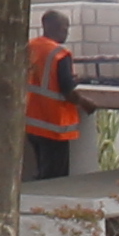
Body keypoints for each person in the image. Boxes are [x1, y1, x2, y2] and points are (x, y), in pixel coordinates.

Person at [24, 9, 88, 181]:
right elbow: (67, 90)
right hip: (54, 126)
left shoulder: (31, 46)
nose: (66, 32)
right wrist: (85, 103)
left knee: (42, 173)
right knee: (56, 179)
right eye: (64, 28)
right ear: (52, 27)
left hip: (33, 123)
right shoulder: (60, 54)